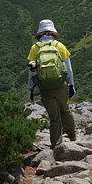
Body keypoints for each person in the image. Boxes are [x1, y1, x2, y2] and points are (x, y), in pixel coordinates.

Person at [26, 19, 77, 149]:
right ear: (53, 31)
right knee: (65, 109)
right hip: (60, 84)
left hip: (45, 87)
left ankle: (56, 144)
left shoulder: (35, 48)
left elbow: (30, 72)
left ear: (39, 33)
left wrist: (30, 89)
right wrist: (71, 85)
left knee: (54, 117)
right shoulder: (59, 46)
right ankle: (72, 133)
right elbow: (69, 68)